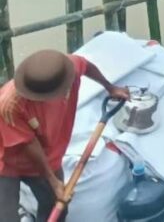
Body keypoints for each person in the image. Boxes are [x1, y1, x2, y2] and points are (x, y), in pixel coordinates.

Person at [0, 50, 130, 221]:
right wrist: (53, 182)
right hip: (6, 162)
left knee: (57, 208)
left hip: (47, 155)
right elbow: (29, 145)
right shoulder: (10, 106)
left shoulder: (67, 68)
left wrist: (110, 87)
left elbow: (86, 66)